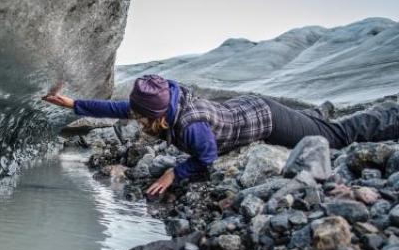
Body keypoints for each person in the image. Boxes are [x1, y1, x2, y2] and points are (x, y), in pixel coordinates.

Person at [42, 75, 399, 195]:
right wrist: (71, 103)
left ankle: (389, 111)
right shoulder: (162, 108)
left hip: (265, 118)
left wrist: (174, 172)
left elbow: (207, 158)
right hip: (245, 109)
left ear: (160, 118)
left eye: (139, 118)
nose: (133, 119)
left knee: (336, 138)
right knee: (312, 125)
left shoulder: (191, 127)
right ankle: (316, 114)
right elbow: (115, 108)